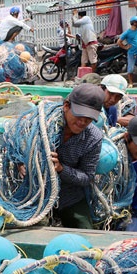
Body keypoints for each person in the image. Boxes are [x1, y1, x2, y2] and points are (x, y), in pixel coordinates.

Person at [53, 83, 106, 229]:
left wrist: (61, 169)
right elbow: (15, 145)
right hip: (35, 194)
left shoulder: (93, 138)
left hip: (69, 196)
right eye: (79, 115)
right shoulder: (43, 123)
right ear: (66, 106)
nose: (82, 122)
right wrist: (21, 163)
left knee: (86, 233)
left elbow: (87, 176)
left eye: (88, 118)